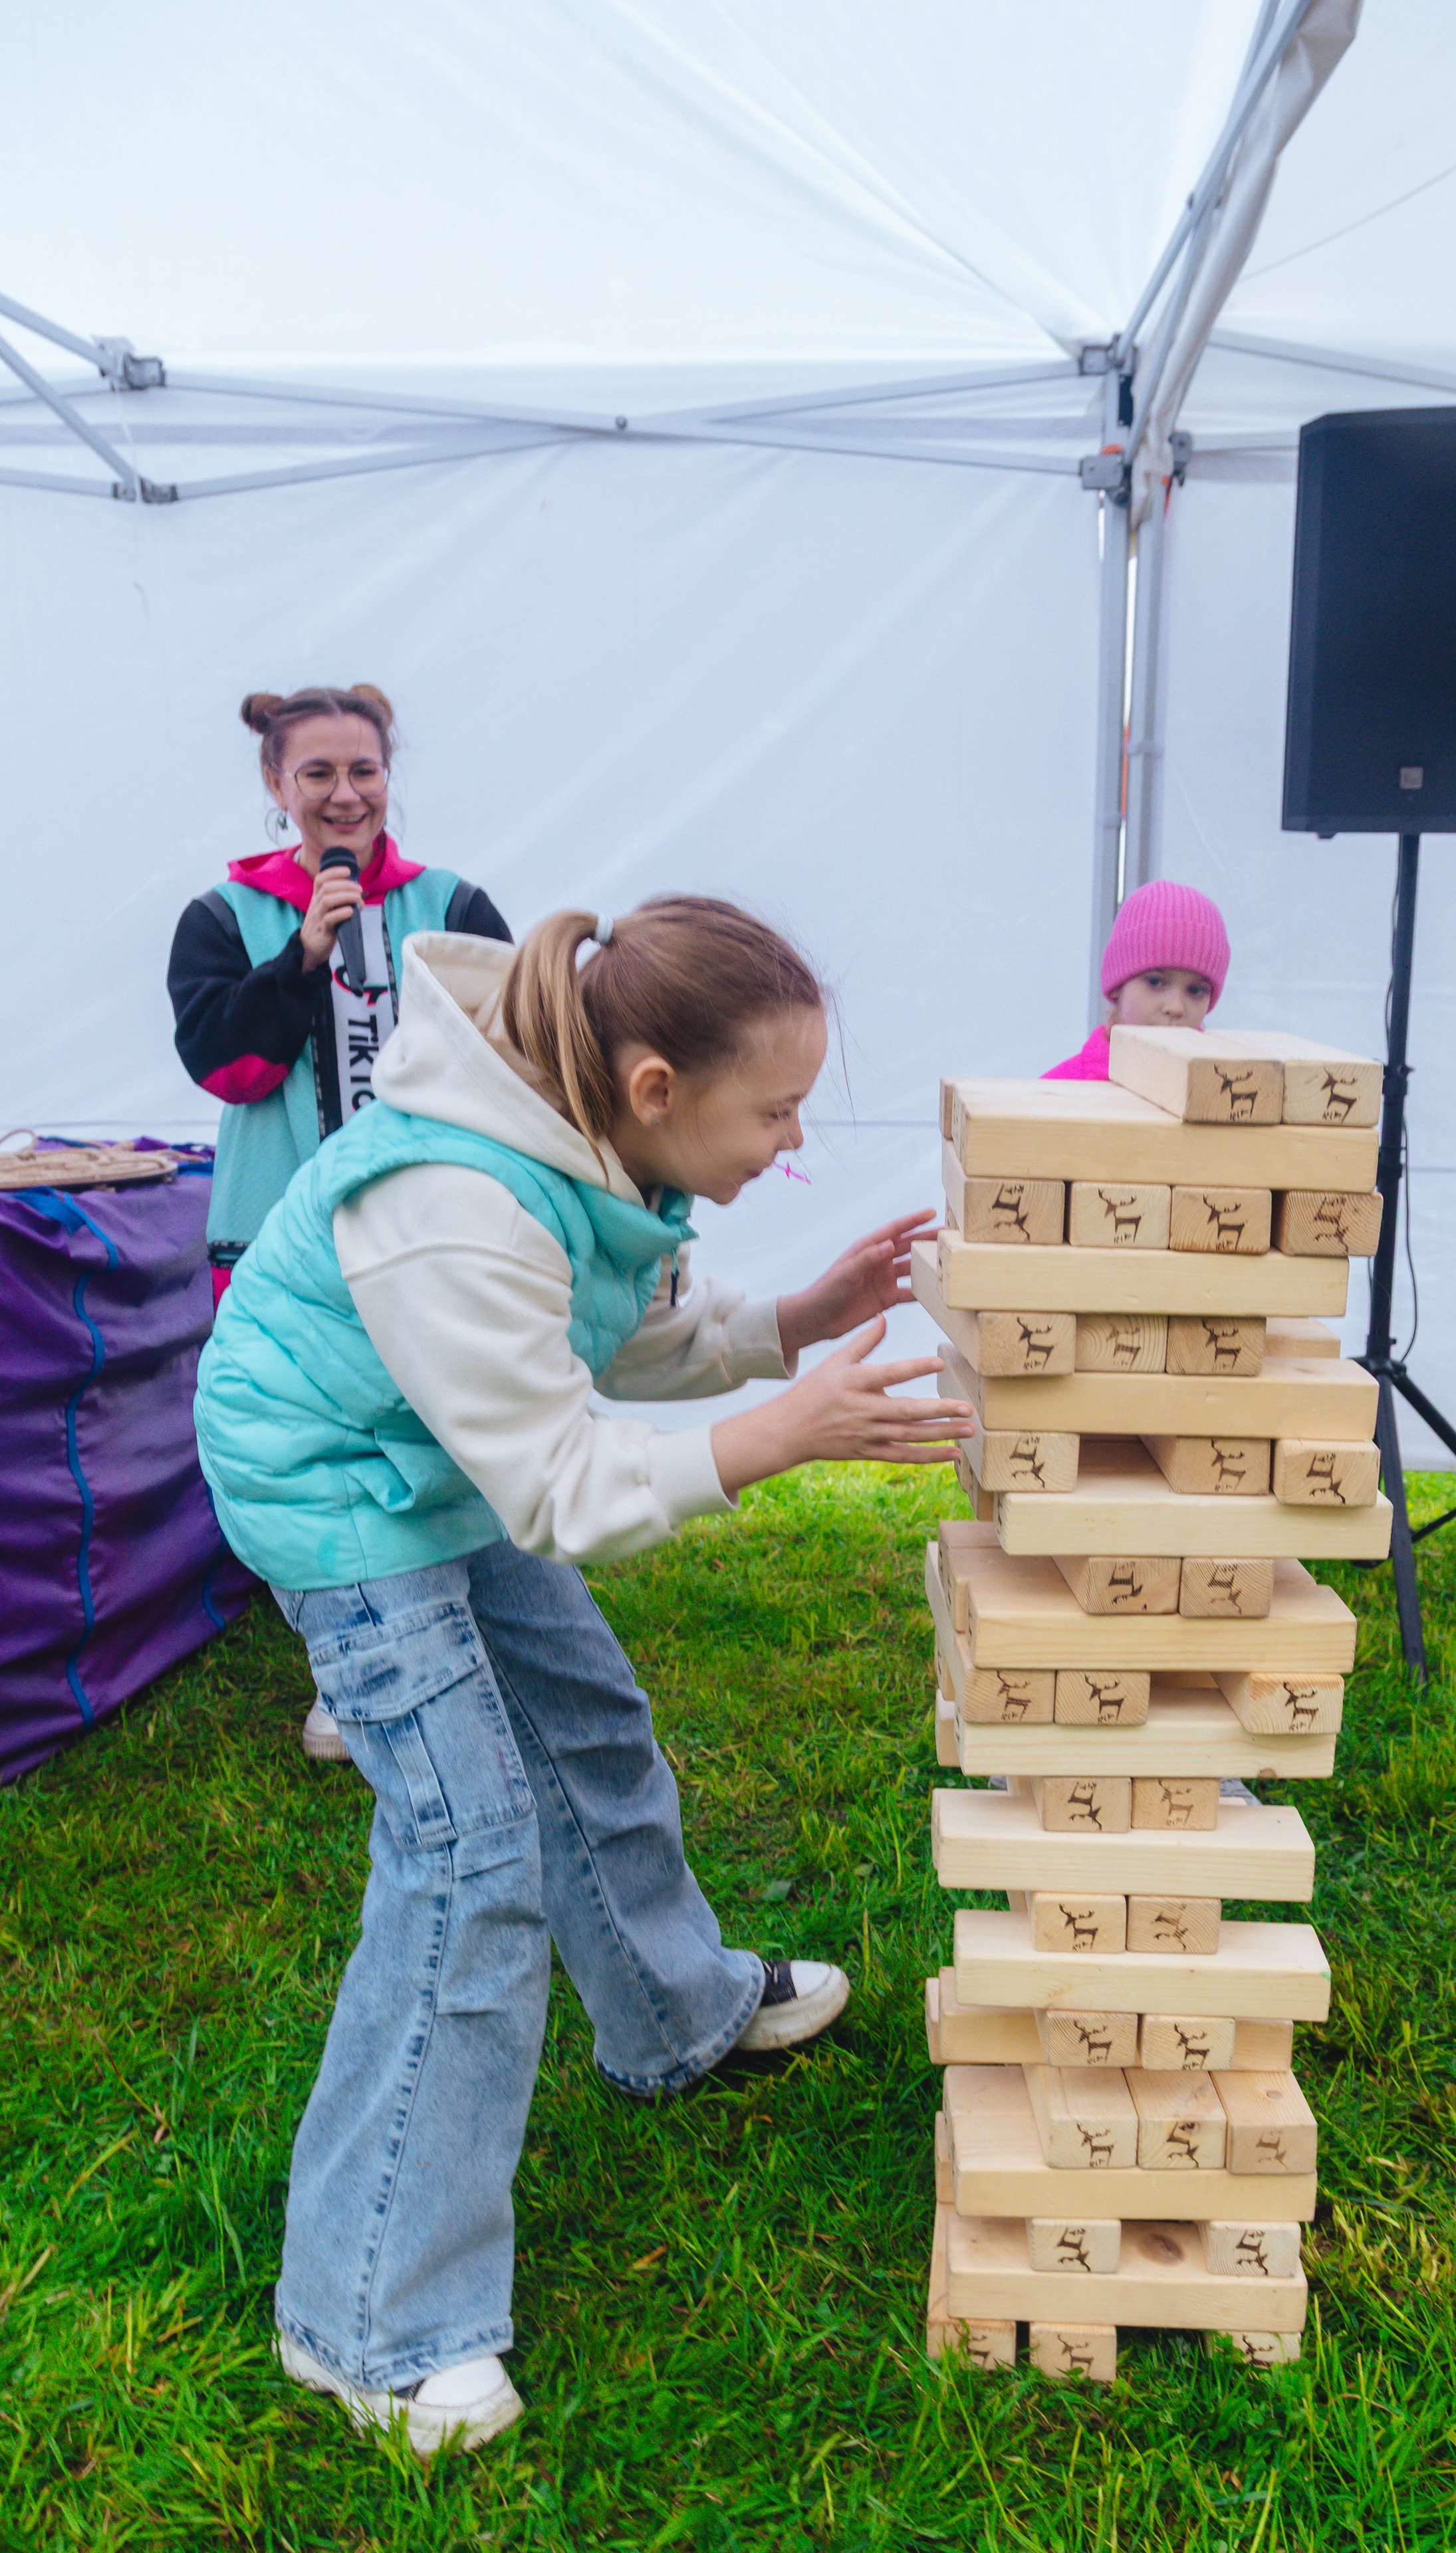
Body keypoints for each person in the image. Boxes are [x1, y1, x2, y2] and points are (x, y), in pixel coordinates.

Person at [192, 895, 973, 2455]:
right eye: (776, 1109)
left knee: (587, 1720)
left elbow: (610, 1341)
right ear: (655, 1089)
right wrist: (777, 1435)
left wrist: (792, 1321)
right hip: (336, 1488)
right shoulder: (457, 1200)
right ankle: (368, 2320)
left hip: (442, 1460)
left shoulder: (579, 1145)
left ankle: (672, 2012)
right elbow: (564, 1484)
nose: (793, 1142)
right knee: (467, 1848)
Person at [168, 684, 511, 1763]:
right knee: (312, 1449)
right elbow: (229, 1064)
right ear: (278, 787)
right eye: (316, 773)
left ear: (387, 777)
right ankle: (347, 1666)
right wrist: (303, 959)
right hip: (280, 1245)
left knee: (438, 1424)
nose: (343, 794)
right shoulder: (224, 919)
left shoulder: (452, 905)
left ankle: (457, 1622)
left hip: (428, 1233)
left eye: (362, 770)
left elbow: (512, 1060)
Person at [1044, 877, 1229, 1079]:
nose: (1176, 1008)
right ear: (1118, 987)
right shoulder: (1054, 1093)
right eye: (1155, 982)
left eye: (1196, 991)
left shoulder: (1234, 1095)